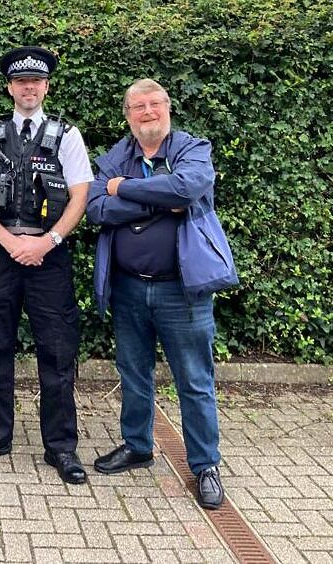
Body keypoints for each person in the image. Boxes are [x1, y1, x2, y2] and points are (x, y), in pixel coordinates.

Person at [86, 78, 238, 509]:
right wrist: (158, 198)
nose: (147, 112)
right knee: (133, 374)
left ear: (167, 108)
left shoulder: (193, 148)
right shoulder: (117, 155)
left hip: (182, 293)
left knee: (194, 380)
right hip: (130, 289)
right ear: (128, 114)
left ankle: (205, 465)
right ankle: (137, 446)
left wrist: (125, 188)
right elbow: (97, 207)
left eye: (154, 104)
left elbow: (187, 189)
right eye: (138, 106)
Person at [0, 46, 94, 485]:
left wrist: (48, 241)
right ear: (10, 87)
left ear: (46, 86)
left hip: (49, 257)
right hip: (1, 254)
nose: (29, 87)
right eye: (21, 82)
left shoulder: (67, 136)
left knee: (57, 353)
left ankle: (61, 447)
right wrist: (6, 239)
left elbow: (80, 196)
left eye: (36, 81)